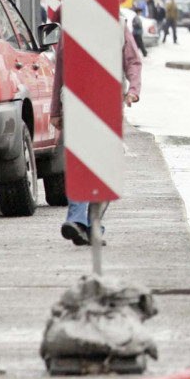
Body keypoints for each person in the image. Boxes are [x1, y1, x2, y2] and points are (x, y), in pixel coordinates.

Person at [52, 15, 144, 246]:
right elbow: (62, 65)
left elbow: (132, 60)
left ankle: (81, 221)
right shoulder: (87, 23)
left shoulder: (113, 23)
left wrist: (134, 88)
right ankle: (86, 223)